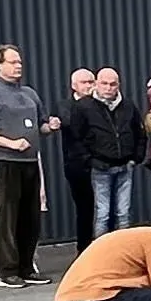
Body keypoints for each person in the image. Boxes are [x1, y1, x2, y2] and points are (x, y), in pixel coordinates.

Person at [0, 44, 61, 289]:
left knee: (31, 217)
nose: (18, 66)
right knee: (8, 217)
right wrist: (9, 143)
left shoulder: (30, 93)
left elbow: (41, 126)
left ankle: (26, 267)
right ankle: (8, 271)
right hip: (5, 162)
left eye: (19, 61)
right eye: (12, 62)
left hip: (31, 161)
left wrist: (50, 126)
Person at [72, 67, 147, 239]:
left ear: (119, 85)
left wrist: (136, 158)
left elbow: (140, 133)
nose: (108, 88)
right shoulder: (84, 107)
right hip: (100, 168)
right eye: (104, 83)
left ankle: (124, 254)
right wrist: (90, 161)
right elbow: (77, 138)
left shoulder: (128, 106)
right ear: (96, 84)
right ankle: (101, 255)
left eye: (113, 84)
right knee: (102, 214)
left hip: (125, 166)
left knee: (123, 213)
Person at [58, 68, 97, 253]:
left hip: (99, 163)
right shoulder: (65, 106)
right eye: (85, 83)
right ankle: (84, 249)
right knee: (85, 209)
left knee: (107, 209)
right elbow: (70, 124)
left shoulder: (101, 104)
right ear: (74, 86)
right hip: (77, 166)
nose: (89, 86)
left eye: (91, 82)